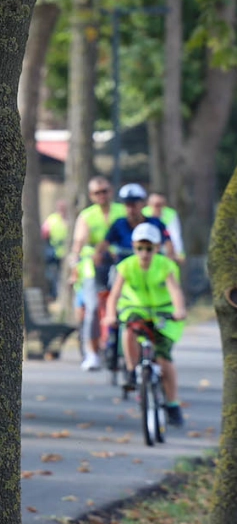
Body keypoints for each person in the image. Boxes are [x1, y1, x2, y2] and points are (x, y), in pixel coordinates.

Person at [102, 223, 187, 426]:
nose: (144, 253)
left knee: (164, 358)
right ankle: (132, 371)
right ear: (133, 247)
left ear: (157, 248)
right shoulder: (126, 266)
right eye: (140, 248)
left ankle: (173, 404)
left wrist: (179, 310)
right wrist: (111, 315)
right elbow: (114, 295)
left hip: (163, 312)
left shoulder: (166, 265)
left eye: (149, 248)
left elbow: (175, 291)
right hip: (136, 309)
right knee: (129, 328)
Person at [67, 177, 126, 371]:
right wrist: (76, 259)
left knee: (123, 305)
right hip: (93, 265)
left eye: (105, 191)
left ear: (111, 191)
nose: (102, 195)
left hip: (118, 263)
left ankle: (123, 349)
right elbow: (79, 242)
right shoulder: (87, 215)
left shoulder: (122, 211)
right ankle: (92, 353)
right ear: (91, 196)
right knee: (92, 309)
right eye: (97, 193)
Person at [145, 191, 184, 258]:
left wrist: (179, 253)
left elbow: (175, 236)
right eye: (156, 205)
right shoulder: (143, 213)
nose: (159, 208)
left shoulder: (170, 214)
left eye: (162, 205)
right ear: (149, 204)